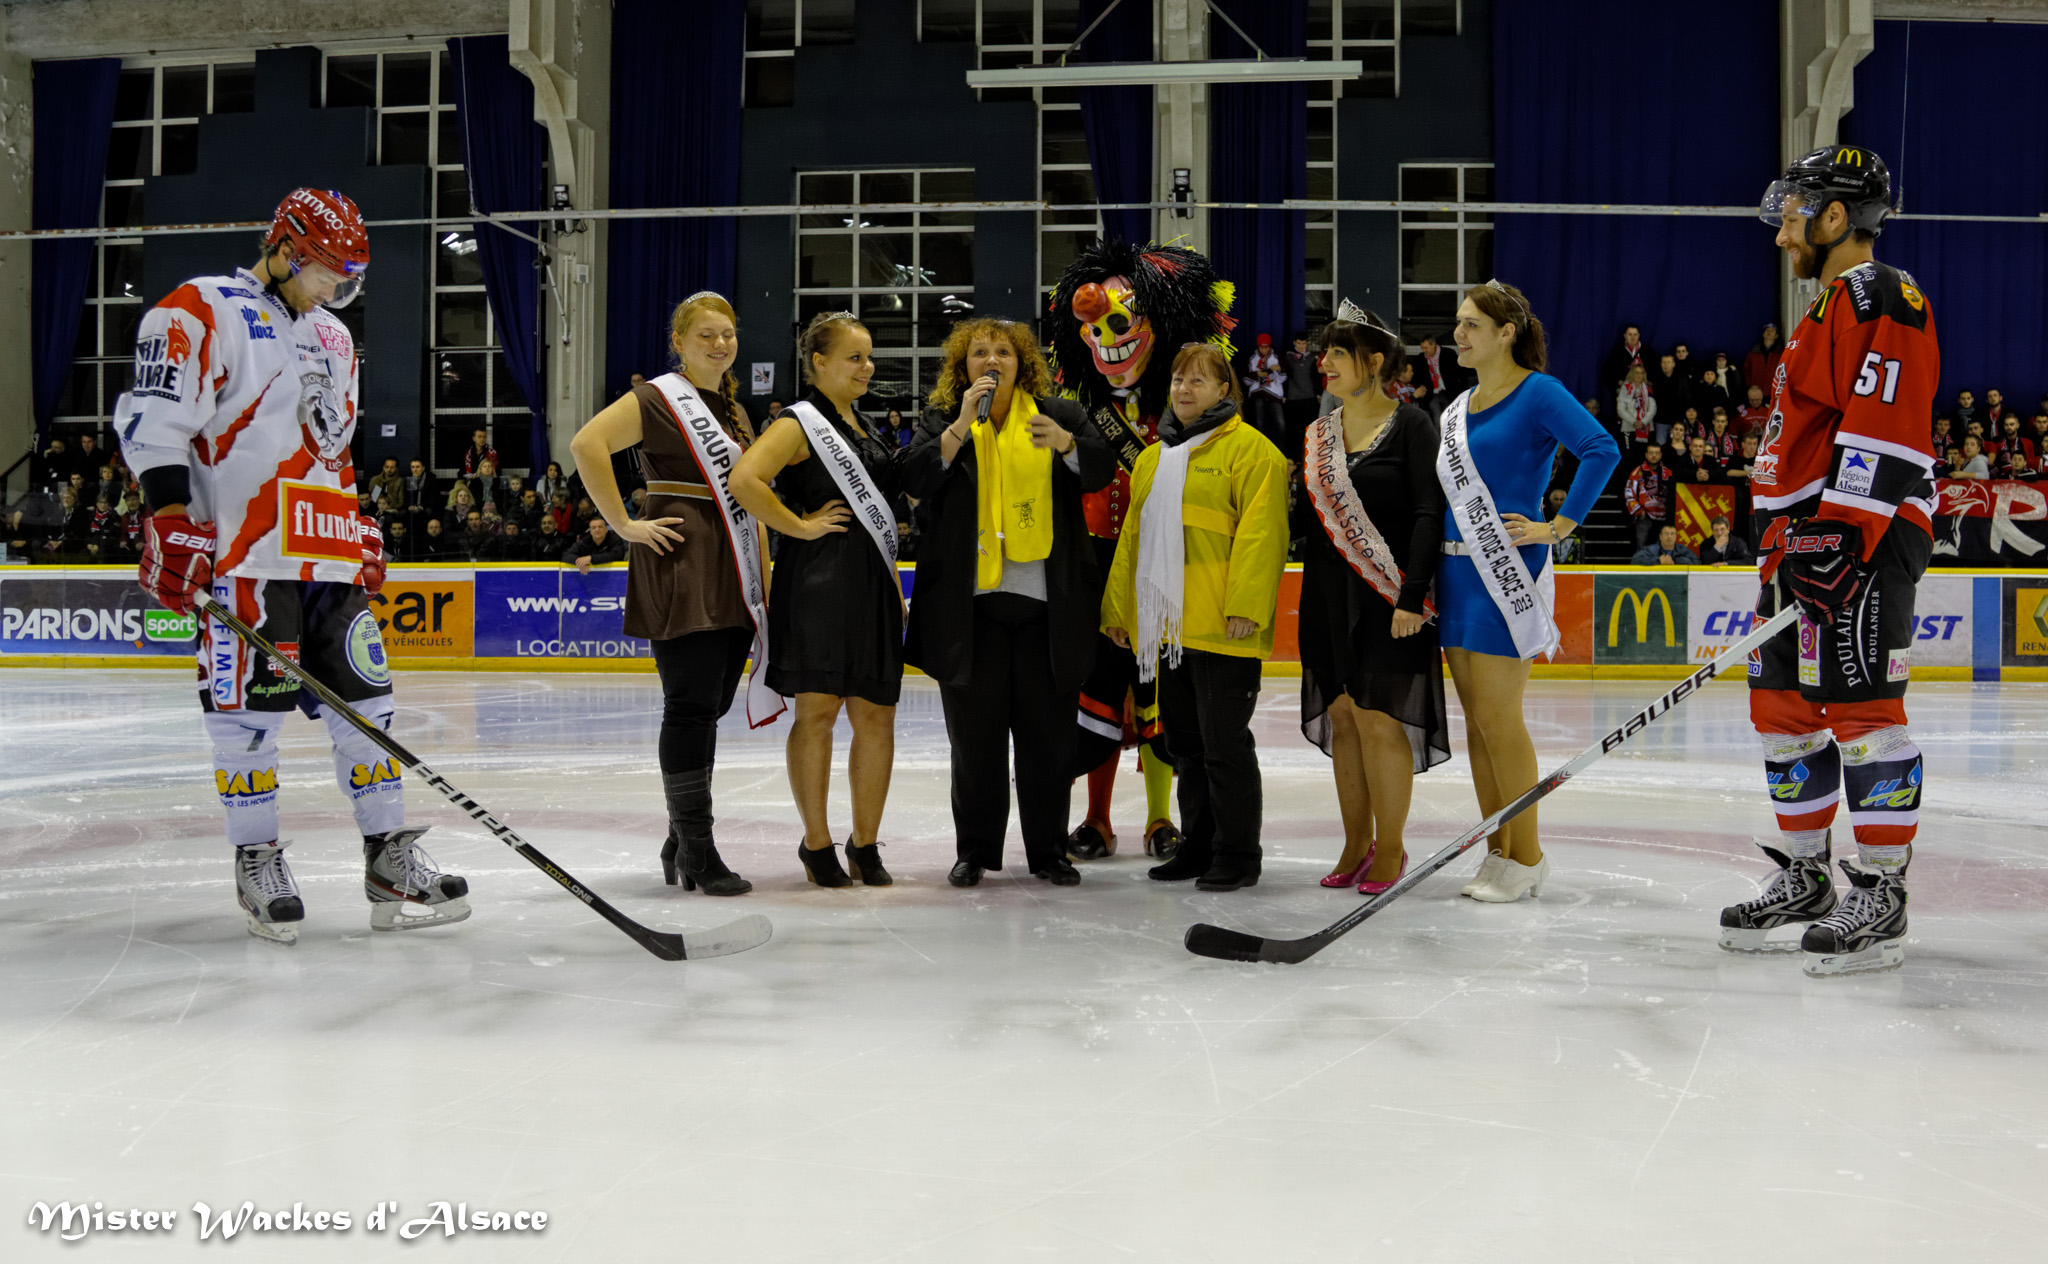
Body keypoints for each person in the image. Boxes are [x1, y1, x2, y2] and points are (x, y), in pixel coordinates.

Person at [114, 187, 466, 945]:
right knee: (247, 724)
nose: (336, 289)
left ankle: (387, 856)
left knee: (369, 713)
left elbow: (328, 445)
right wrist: (171, 519)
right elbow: (153, 422)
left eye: (346, 277)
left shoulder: (334, 337)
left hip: (325, 556)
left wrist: (355, 521)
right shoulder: (197, 308)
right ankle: (257, 858)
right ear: (282, 249)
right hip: (245, 557)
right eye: (325, 272)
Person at [1723, 144, 1939, 976]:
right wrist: (1792, 539)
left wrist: (1844, 529)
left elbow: (1886, 415)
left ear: (1835, 216)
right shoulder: (1822, 309)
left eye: (1793, 215)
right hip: (1803, 538)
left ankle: (1882, 892)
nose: (1783, 234)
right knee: (1781, 710)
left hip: (1858, 534)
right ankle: (1808, 879)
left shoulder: (1877, 291)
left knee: (1863, 713)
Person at [566, 291, 780, 897]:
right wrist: (625, 524)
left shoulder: (735, 410)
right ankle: (699, 848)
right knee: (689, 706)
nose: (720, 344)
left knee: (708, 707)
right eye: (706, 335)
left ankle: (679, 840)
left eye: (727, 335)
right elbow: (586, 445)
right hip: (683, 558)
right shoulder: (658, 398)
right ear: (679, 344)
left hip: (732, 563)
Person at [900, 317, 1113, 887]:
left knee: (1048, 745)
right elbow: (915, 476)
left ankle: (1049, 852)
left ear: (1022, 363)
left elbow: (1102, 468)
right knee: (976, 746)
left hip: (1048, 613)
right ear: (961, 367)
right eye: (978, 353)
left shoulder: (1059, 415)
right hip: (971, 615)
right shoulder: (946, 420)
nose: (991, 361)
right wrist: (962, 428)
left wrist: (1066, 446)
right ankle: (974, 851)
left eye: (1003, 352)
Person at [1435, 280, 1620, 903]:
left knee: (1500, 720)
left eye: (1470, 325)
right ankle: (1497, 852)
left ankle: (1529, 857)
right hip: (1456, 575)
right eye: (1458, 324)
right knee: (1478, 728)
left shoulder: (1539, 392)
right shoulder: (1459, 407)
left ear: (1505, 332)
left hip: (1503, 575)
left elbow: (1601, 448)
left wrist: (1559, 525)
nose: (1458, 335)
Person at [1101, 342, 1289, 892]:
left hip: (1224, 627)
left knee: (1224, 744)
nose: (1184, 389)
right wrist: (1120, 609)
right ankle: (1198, 845)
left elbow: (1263, 537)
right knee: (1184, 744)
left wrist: (1245, 609)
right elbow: (1133, 540)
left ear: (1224, 390)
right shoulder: (1153, 457)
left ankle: (1237, 853)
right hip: (1169, 629)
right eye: (1179, 380)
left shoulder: (1253, 452)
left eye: (1198, 381)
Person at [730, 311, 900, 888]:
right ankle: (817, 842)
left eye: (869, 356)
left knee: (876, 714)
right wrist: (797, 527)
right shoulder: (800, 423)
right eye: (854, 357)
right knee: (819, 713)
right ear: (818, 363)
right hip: (820, 585)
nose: (867, 367)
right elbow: (745, 480)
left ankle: (867, 843)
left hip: (872, 584)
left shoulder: (865, 425)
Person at [1295, 302, 1448, 895]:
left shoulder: (1412, 425)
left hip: (1389, 599)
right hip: (1327, 596)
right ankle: (1355, 841)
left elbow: (1426, 512)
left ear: (1375, 361)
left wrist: (1411, 596)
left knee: (1381, 722)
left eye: (1337, 352)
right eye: (1325, 352)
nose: (1324, 362)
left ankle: (1391, 848)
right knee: (1343, 717)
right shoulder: (1317, 435)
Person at [1623, 443, 1674, 550]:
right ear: (1646, 455)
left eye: (1656, 453)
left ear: (1661, 455)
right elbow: (1629, 493)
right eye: (1651, 453)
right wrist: (1639, 511)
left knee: (1663, 550)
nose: (1654, 456)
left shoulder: (1668, 473)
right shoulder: (1637, 472)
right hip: (1645, 517)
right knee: (1642, 549)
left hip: (1664, 519)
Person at [1241, 333, 1286, 443]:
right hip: (1258, 393)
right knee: (1258, 424)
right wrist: (1257, 375)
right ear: (1258, 346)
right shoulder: (1252, 359)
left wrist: (1279, 370)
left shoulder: (1277, 358)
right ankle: (1259, 453)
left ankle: (1281, 452)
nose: (1264, 350)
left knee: (1280, 424)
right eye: (1262, 347)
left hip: (1274, 393)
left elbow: (1283, 379)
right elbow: (1245, 380)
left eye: (1266, 347)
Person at [561, 516, 626, 571]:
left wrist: (591, 559)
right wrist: (579, 561)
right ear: (590, 531)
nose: (597, 530)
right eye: (594, 528)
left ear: (606, 529)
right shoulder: (584, 541)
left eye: (600, 527)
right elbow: (566, 555)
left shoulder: (615, 539)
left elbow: (617, 555)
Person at [1617, 364, 1658, 447]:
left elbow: (1652, 408)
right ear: (1632, 373)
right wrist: (1634, 422)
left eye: (1641, 373)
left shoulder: (1648, 389)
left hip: (1646, 428)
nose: (1639, 375)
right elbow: (1620, 409)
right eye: (1637, 373)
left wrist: (1643, 422)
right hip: (1629, 428)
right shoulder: (1625, 388)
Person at [1742, 322, 1783, 402]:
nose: (1769, 332)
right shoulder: (1753, 353)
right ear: (1763, 334)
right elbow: (1746, 370)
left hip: (1773, 393)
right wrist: (1751, 385)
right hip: (1756, 394)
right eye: (1767, 330)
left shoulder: (1781, 355)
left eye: (1772, 331)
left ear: (1776, 336)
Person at [1631, 523, 1698, 565]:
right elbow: (1635, 560)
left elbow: (1697, 563)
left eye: (1672, 534)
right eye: (1666, 533)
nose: (1669, 536)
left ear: (1676, 537)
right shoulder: (1652, 549)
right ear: (1660, 536)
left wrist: (1676, 561)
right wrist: (1658, 561)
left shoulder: (1682, 549)